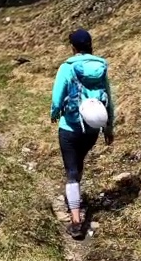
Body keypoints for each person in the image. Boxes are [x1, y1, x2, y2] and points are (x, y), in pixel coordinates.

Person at [49, 28, 114, 239]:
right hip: (93, 126)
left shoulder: (67, 67)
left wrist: (55, 113)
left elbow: (58, 97)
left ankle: (76, 220)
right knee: (79, 163)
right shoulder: (101, 66)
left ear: (73, 47)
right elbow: (109, 99)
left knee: (71, 169)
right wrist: (108, 126)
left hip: (70, 126)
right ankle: (75, 196)